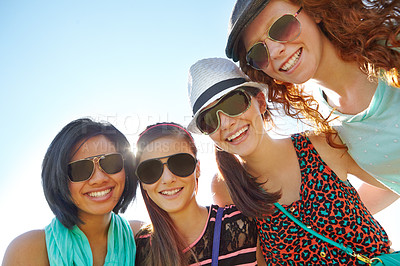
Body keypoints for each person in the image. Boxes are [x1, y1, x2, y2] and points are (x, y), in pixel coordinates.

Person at [187, 57, 392, 265]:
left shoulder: (321, 144)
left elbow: (393, 181)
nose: (227, 123)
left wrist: (349, 213)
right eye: (210, 119)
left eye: (234, 103)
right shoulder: (226, 186)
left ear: (260, 101)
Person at [225, 0, 400, 195]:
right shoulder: (322, 122)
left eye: (281, 27)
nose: (274, 52)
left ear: (314, 11)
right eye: (258, 52)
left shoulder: (393, 42)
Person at [2, 118, 139, 266]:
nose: (99, 179)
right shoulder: (26, 251)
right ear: (58, 179)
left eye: (111, 163)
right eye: (80, 169)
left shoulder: (142, 239)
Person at [134, 122, 262, 266]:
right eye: (150, 170)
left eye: (180, 163)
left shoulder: (242, 224)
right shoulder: (139, 247)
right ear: (142, 182)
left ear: (198, 168)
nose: (168, 179)